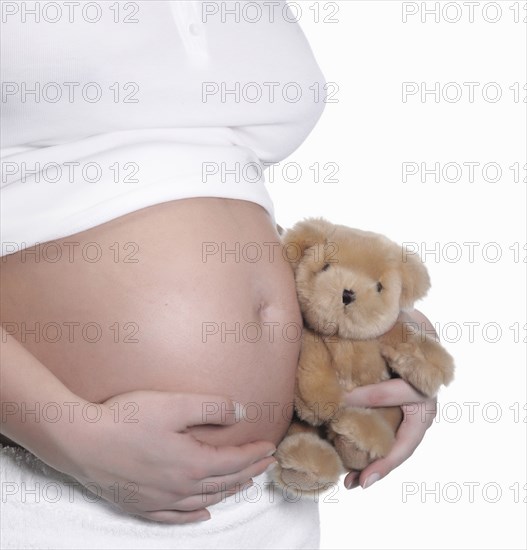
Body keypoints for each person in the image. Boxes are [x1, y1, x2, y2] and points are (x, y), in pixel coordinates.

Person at [0, 2, 438, 548]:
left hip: (264, 502)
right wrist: (70, 434)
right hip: (59, 488)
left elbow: (195, 180)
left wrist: (364, 328)